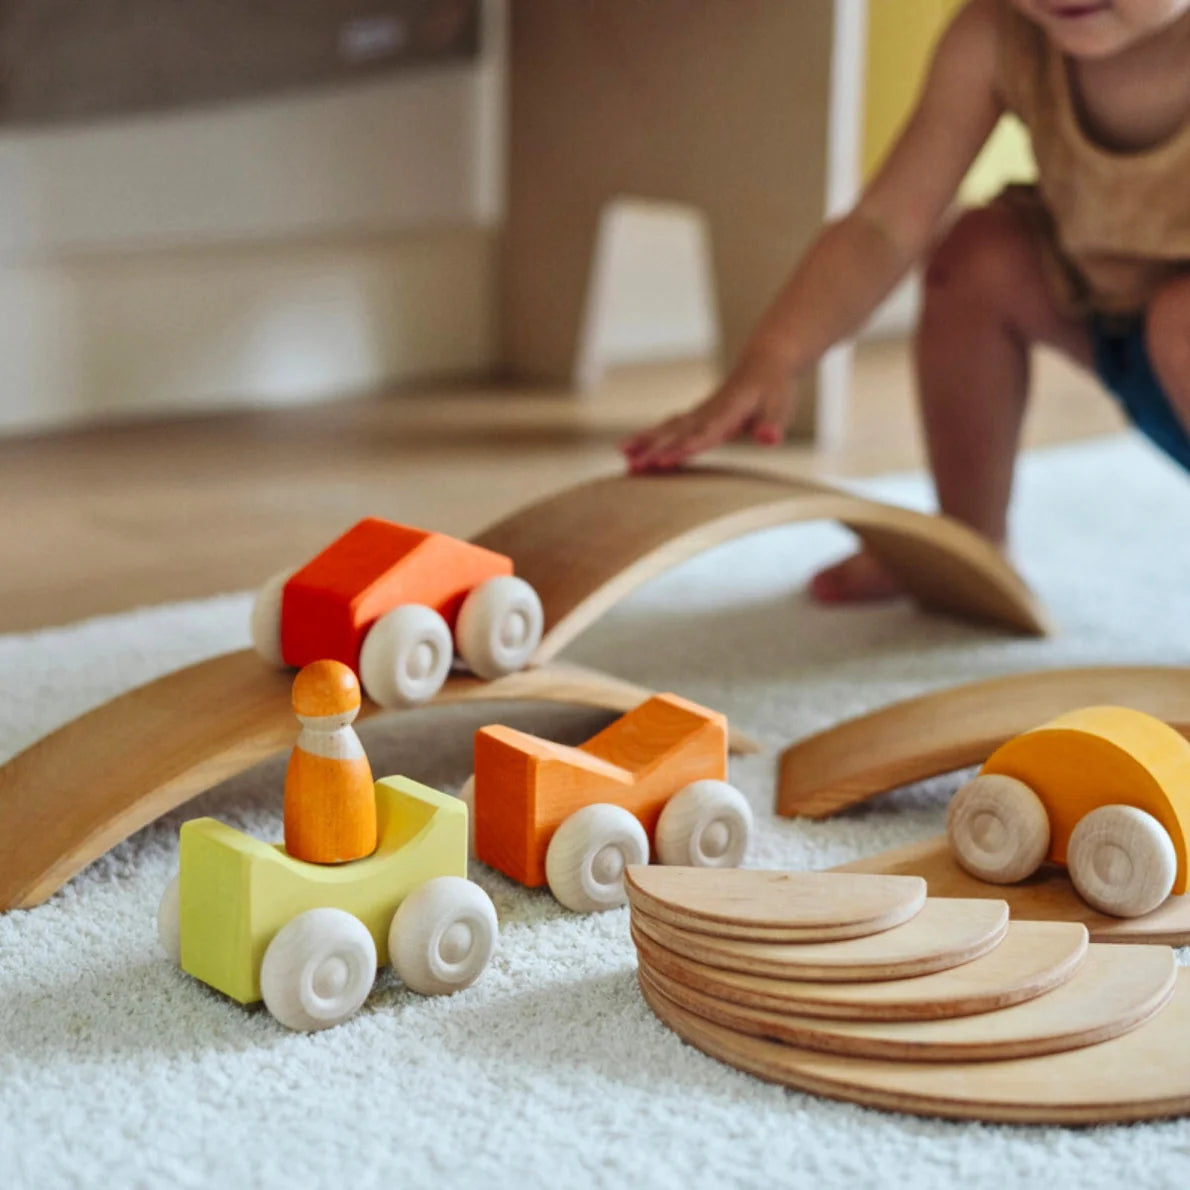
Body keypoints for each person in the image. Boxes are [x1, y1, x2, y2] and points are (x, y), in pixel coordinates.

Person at [620, 0, 1190, 602]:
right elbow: (884, 227)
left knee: (1180, 319)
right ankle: (969, 550)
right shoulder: (997, 37)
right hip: (1114, 325)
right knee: (977, 256)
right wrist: (776, 353)